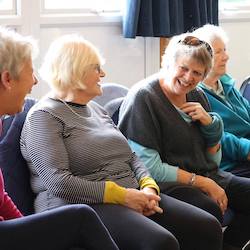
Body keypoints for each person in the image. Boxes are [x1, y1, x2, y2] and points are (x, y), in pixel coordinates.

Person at [20, 33, 223, 250]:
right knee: (160, 243)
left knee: (206, 226)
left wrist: (148, 188)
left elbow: (132, 157)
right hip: (81, 207)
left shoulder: (96, 109)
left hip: (132, 194)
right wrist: (123, 196)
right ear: (76, 70)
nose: (103, 73)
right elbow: (58, 182)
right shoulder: (44, 116)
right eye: (96, 67)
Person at [118, 34, 250, 249]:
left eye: (197, 73)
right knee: (209, 209)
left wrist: (211, 127)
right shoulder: (144, 97)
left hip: (209, 175)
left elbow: (212, 160)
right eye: (183, 68)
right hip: (167, 185)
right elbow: (149, 167)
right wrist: (203, 182)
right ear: (167, 63)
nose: (189, 78)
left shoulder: (197, 95)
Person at [0, 26, 119, 250]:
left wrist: (27, 229)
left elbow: (1, 198)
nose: (35, 81)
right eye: (30, 71)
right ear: (7, 79)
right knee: (81, 217)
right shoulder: (44, 116)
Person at [192, 24, 250, 178]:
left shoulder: (226, 83)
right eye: (219, 52)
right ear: (202, 57)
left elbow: (247, 115)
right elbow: (215, 134)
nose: (226, 56)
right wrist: (247, 149)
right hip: (230, 164)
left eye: (225, 50)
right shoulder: (195, 93)